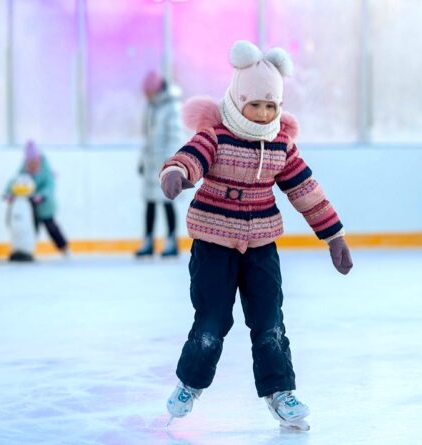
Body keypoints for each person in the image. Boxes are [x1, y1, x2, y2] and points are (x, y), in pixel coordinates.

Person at [159, 40, 353, 430]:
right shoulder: (216, 135)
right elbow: (190, 156)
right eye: (256, 105)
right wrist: (177, 174)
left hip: (261, 246)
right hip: (214, 243)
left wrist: (333, 235)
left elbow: (305, 190)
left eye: (271, 106)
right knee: (211, 321)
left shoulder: (281, 144)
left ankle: (281, 392)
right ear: (238, 99)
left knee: (269, 322)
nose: (264, 113)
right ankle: (189, 383)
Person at [135, 71, 184, 258]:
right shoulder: (151, 107)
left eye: (148, 92)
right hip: (150, 163)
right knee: (149, 202)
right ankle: (148, 240)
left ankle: (172, 241)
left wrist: (171, 163)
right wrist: (142, 160)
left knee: (166, 202)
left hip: (164, 163)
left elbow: (175, 137)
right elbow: (147, 137)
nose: (146, 96)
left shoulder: (171, 107)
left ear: (155, 90)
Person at [4, 141, 70, 256]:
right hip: (29, 206)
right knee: (29, 228)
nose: (31, 164)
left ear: (38, 158)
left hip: (45, 206)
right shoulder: (23, 169)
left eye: (34, 161)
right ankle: (26, 250)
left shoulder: (46, 171)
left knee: (51, 227)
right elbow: (15, 182)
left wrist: (42, 195)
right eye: (29, 162)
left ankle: (64, 248)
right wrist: (8, 193)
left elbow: (50, 186)